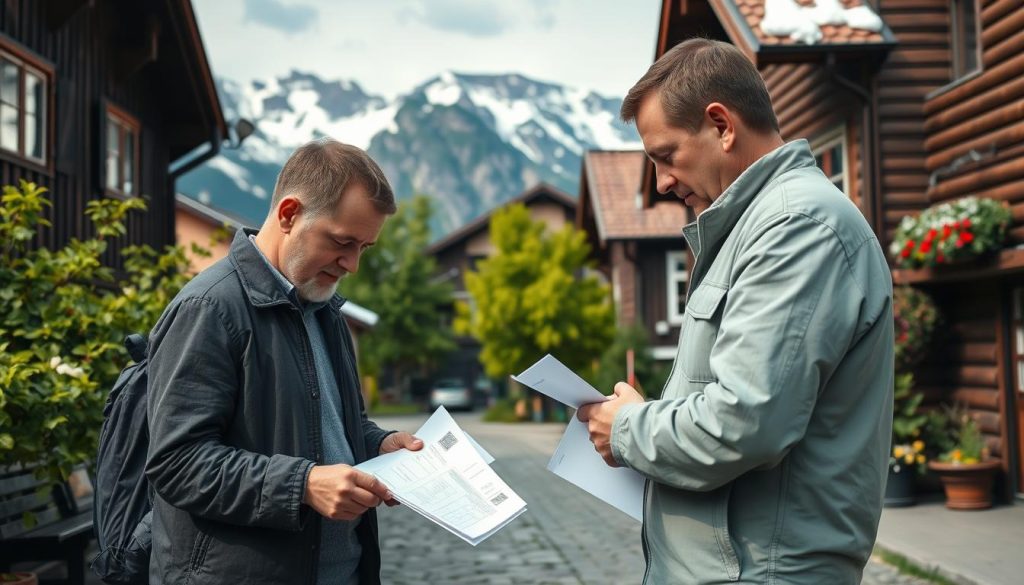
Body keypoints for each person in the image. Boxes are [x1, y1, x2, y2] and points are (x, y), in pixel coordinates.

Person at [577, 38, 894, 584]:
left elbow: (745, 422)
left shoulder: (795, 228)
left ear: (721, 125)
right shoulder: (759, 226)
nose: (662, 182)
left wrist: (627, 428)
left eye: (665, 155)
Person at [145, 138, 423, 585]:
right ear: (290, 214)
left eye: (364, 249)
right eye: (342, 242)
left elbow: (323, 429)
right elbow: (177, 462)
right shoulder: (210, 309)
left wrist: (378, 445)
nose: (351, 264)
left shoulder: (324, 309)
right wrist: (303, 485)